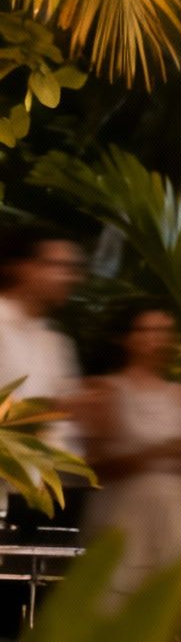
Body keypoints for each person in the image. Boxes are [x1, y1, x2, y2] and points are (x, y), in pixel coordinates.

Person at [77, 304, 181, 604]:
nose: (158, 339)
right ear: (126, 338)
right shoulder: (106, 389)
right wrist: (175, 445)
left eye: (166, 332)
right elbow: (100, 465)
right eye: (149, 330)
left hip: (170, 518)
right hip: (124, 518)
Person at [0, 223, 85, 535]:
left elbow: (70, 426)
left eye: (73, 268)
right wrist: (52, 408)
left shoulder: (56, 342)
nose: (69, 277)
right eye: (57, 266)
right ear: (21, 268)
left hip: (53, 492)